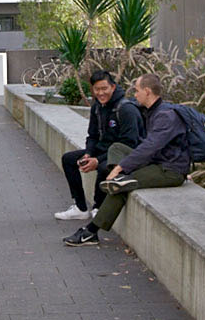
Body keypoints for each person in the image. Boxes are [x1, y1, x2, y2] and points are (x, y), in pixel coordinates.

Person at [63, 73, 191, 246]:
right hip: (157, 162)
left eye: (137, 91)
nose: (134, 94)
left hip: (169, 170)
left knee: (121, 185)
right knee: (116, 148)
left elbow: (149, 147)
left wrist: (119, 168)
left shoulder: (164, 115)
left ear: (147, 91)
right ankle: (109, 185)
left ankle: (90, 232)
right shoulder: (152, 111)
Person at [54, 70, 143, 221]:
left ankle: (98, 208)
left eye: (104, 89)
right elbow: (93, 136)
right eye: (97, 90)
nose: (101, 93)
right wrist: (88, 154)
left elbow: (129, 143)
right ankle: (80, 208)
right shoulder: (97, 106)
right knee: (69, 159)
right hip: (102, 150)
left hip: (124, 154)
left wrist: (97, 160)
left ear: (113, 87)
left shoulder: (126, 109)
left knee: (103, 166)